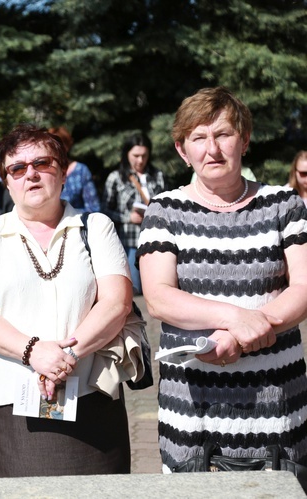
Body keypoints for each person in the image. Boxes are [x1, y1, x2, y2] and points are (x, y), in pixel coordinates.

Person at [137, 87, 307, 475]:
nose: (211, 149)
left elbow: (303, 288)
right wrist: (237, 317)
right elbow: (160, 298)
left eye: (223, 134)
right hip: (193, 408)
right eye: (199, 138)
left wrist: (238, 335)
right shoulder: (165, 210)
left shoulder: (284, 204)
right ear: (183, 150)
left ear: (244, 140)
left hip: (276, 401)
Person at [0, 124, 134, 477]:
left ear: (64, 171)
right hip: (17, 405)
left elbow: (117, 304)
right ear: (6, 181)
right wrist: (35, 352)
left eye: (43, 163)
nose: (32, 174)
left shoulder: (96, 226)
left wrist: (68, 355)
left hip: (91, 397)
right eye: (18, 168)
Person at [102, 133, 165, 295]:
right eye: (135, 156)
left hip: (155, 241)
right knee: (135, 290)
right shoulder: (115, 178)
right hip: (129, 241)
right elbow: (105, 211)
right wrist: (127, 218)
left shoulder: (157, 176)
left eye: (144, 155)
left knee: (156, 290)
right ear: (126, 154)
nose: (140, 160)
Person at [50, 126, 100, 213]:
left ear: (67, 146)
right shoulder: (44, 172)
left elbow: (93, 207)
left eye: (60, 145)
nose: (56, 149)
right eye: (52, 146)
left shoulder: (81, 170)